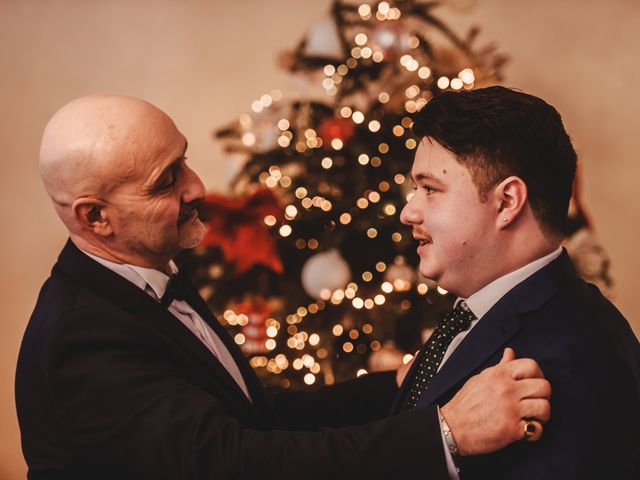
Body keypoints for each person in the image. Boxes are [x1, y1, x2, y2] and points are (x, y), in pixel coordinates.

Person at [16, 95, 551, 480]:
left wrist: (391, 386)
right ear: (95, 217)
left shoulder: (155, 269)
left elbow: (257, 420)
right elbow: (234, 461)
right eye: (166, 181)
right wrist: (446, 432)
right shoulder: (82, 335)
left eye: (183, 160)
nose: (197, 187)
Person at [394, 86, 640, 479]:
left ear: (507, 202)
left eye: (430, 189)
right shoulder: (473, 312)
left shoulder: (578, 354)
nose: (409, 211)